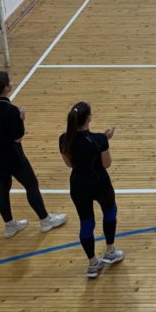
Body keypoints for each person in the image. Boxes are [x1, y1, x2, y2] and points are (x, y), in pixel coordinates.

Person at [0, 71, 67, 239]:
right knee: (31, 185)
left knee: (2, 189)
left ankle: (9, 226)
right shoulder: (10, 110)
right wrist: (21, 119)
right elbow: (18, 138)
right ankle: (45, 220)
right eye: (10, 81)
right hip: (12, 156)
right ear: (6, 88)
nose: (12, 82)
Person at [59, 101, 124, 279]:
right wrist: (104, 141)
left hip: (78, 186)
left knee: (86, 223)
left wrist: (102, 141)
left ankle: (93, 264)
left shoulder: (64, 140)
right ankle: (110, 251)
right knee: (110, 212)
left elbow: (69, 164)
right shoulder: (99, 140)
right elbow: (106, 164)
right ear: (89, 118)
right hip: (99, 183)